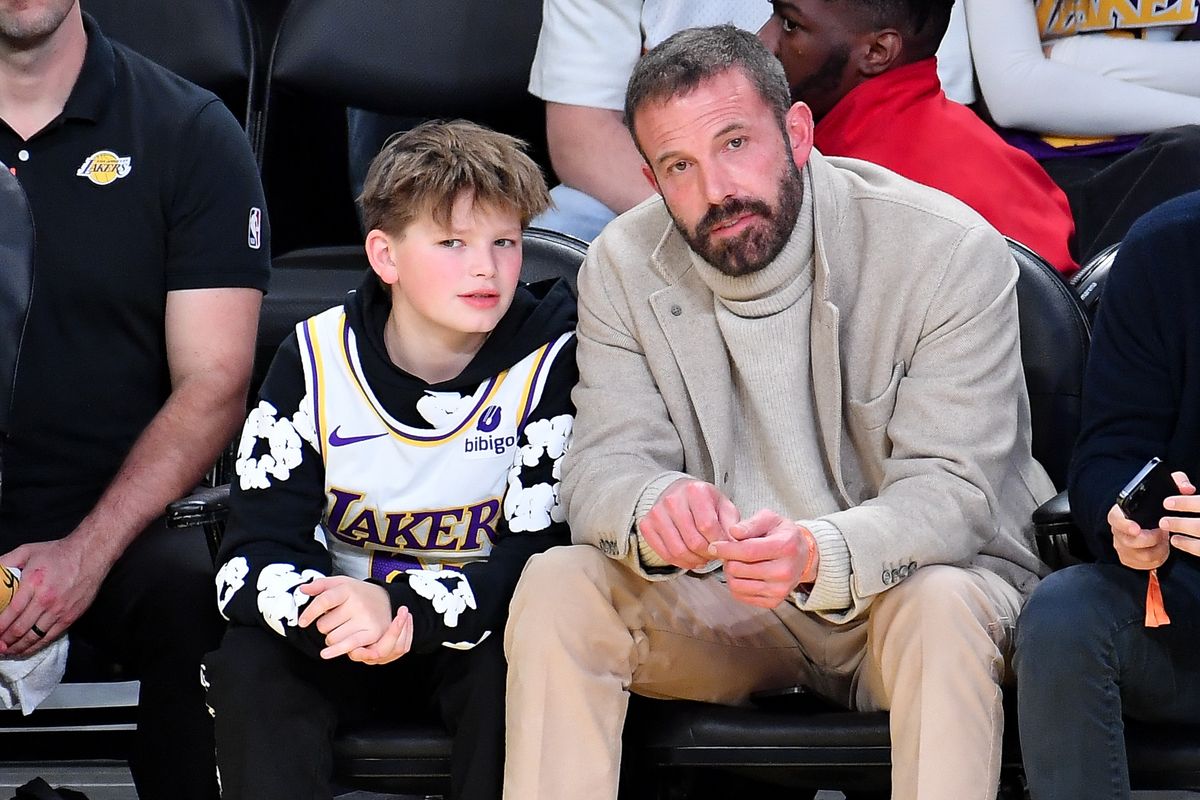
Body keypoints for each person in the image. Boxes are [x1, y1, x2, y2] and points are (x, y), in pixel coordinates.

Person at [503, 25, 1055, 800]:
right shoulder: (622, 266)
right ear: (651, 177)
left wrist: (813, 552)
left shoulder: (945, 251)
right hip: (738, 604)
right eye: (679, 167)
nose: (715, 190)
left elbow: (953, 495)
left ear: (797, 132)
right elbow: (601, 465)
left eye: (735, 144)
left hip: (914, 589)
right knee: (563, 583)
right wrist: (652, 506)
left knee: (940, 607)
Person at [204, 119, 577, 800]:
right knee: (250, 662)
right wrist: (333, 610)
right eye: (452, 243)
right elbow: (247, 560)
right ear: (385, 256)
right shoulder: (313, 357)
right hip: (342, 634)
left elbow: (541, 560)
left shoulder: (556, 359)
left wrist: (399, 608)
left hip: (476, 639)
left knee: (523, 652)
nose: (486, 268)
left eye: (505, 242)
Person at [0, 2, 269, 798]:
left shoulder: (188, 132)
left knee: (198, 589)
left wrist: (84, 554)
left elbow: (216, 381)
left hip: (120, 526)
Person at [1014, 190, 1200, 799]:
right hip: (1187, 599)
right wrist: (1120, 516)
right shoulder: (1167, 247)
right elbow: (1108, 451)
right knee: (1066, 615)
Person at [527, 0, 976, 243]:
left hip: (838, 184)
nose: (765, 38)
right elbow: (582, 136)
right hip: (664, 188)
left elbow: (922, 110)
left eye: (787, 22)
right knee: (560, 227)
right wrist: (713, 216)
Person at [760, 0, 1077, 275]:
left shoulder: (846, 181)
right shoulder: (1000, 154)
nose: (763, 40)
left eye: (790, 24)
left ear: (877, 51)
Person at [964, 0, 1200, 262]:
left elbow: (1020, 79)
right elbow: (1014, 93)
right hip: (1038, 173)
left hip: (1170, 155)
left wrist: (1071, 55)